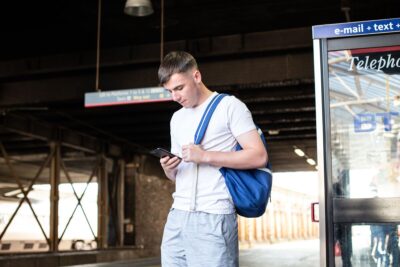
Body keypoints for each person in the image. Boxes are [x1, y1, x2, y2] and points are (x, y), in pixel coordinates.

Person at [157, 51, 268, 267]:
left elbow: (259, 155)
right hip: (177, 216)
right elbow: (176, 178)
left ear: (196, 77)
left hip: (213, 215)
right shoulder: (177, 118)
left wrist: (205, 156)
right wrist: (169, 168)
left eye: (179, 88)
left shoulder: (229, 106)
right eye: (169, 91)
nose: (175, 97)